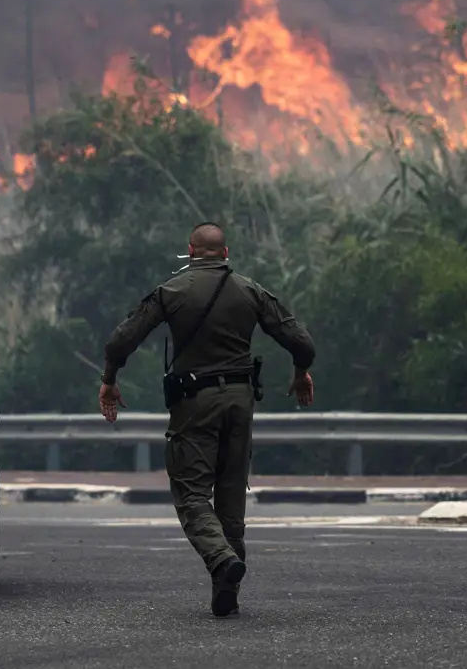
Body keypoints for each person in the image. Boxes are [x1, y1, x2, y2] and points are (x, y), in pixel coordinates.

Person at [99, 222, 316, 618]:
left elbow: (120, 341)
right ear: (226, 253)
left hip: (194, 403)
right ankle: (227, 583)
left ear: (191, 251)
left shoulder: (172, 291)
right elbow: (301, 341)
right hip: (240, 400)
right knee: (231, 493)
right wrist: (300, 372)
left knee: (192, 492)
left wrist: (110, 379)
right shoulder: (250, 290)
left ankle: (220, 558)